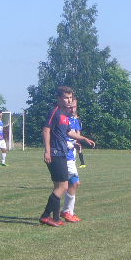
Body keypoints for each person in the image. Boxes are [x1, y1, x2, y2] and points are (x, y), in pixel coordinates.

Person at [40, 86, 95, 227]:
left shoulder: (66, 115)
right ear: (59, 98)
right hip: (55, 152)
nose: (69, 100)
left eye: (70, 97)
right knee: (63, 186)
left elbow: (69, 132)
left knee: (59, 187)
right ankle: (47, 216)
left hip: (62, 153)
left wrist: (83, 138)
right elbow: (46, 130)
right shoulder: (55, 112)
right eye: (66, 97)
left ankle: (53, 218)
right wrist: (47, 151)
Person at [61, 99, 83, 222]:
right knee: (73, 183)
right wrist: (70, 145)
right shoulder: (63, 119)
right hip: (65, 155)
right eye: (71, 107)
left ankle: (67, 211)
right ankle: (67, 212)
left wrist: (78, 143)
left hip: (72, 155)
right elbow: (60, 137)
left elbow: (75, 135)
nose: (73, 109)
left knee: (69, 184)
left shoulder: (75, 120)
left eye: (75, 107)